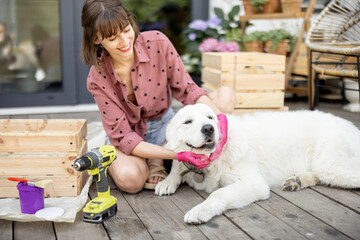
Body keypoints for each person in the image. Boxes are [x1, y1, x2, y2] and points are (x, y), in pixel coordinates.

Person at [81, 0, 237, 193]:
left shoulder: (157, 42)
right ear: (96, 39)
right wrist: (178, 155)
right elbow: (124, 137)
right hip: (128, 137)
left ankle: (157, 159)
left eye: (126, 29)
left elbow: (188, 90)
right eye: (112, 38)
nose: (124, 41)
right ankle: (153, 159)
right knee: (131, 181)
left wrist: (221, 126)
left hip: (165, 127)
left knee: (225, 96)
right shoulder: (97, 77)